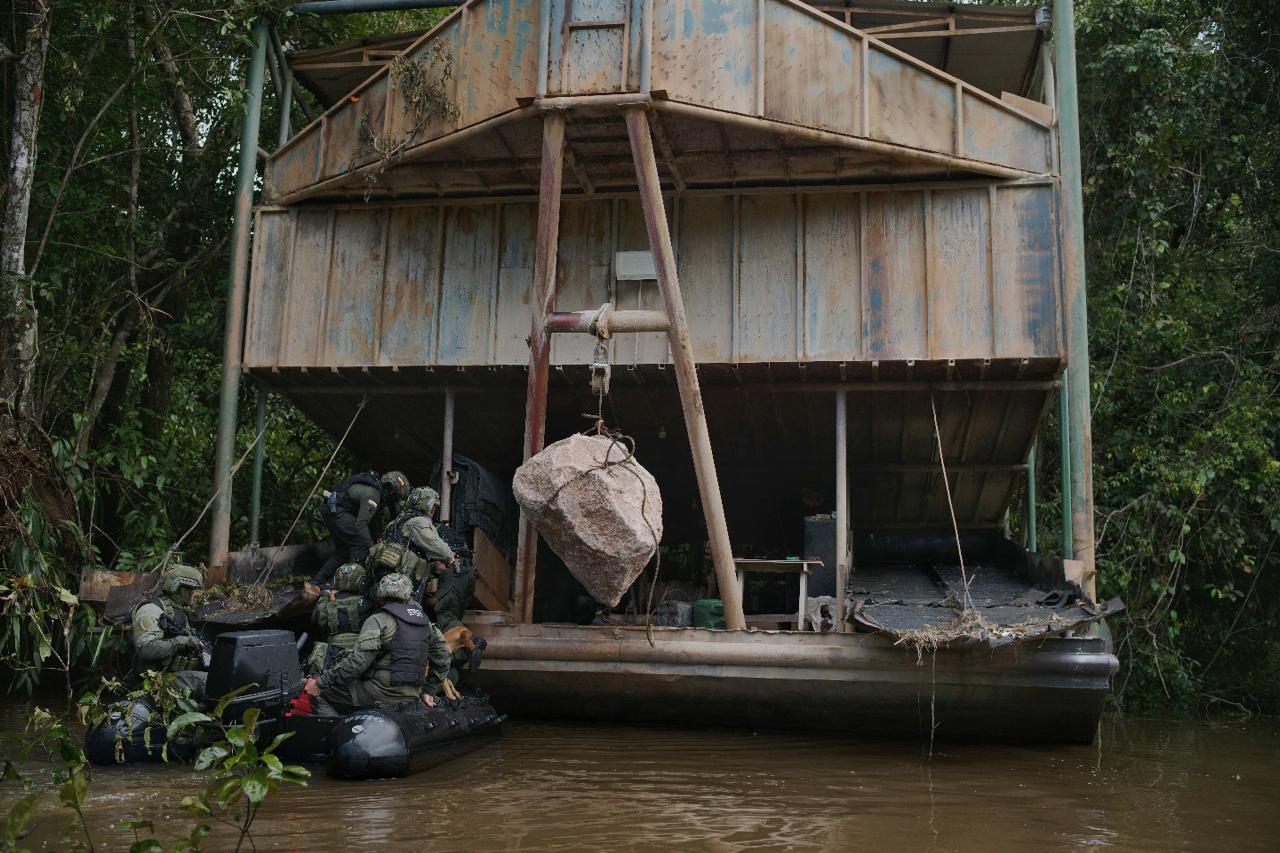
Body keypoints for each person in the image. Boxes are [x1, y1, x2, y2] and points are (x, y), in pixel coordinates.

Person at [303, 573, 452, 716]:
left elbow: (357, 663)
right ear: (408, 597)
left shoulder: (378, 620)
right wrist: (429, 690)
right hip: (411, 696)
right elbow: (443, 657)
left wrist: (321, 682)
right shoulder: (426, 623)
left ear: (380, 598)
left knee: (319, 693)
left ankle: (341, 732)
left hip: (378, 695)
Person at [313, 470, 411, 584]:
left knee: (344, 550)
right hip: (338, 512)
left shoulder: (374, 490)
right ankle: (350, 584)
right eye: (396, 496)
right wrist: (372, 549)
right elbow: (361, 525)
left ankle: (318, 581)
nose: (394, 501)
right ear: (390, 490)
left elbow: (373, 523)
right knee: (360, 544)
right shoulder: (373, 496)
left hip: (332, 510)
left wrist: (378, 539)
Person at [131, 564, 208, 699]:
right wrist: (181, 642)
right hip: (155, 680)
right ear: (178, 588)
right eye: (190, 590)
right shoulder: (151, 610)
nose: (194, 594)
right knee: (209, 682)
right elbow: (145, 648)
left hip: (175, 674)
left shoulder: (179, 611)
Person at [373, 487, 458, 601]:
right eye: (434, 507)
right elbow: (438, 547)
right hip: (401, 583)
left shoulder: (395, 522)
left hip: (384, 579)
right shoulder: (418, 522)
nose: (433, 511)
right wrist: (452, 558)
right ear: (429, 507)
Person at [305, 562, 376, 675]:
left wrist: (324, 595)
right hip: (362, 653)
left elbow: (317, 620)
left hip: (333, 654)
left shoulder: (328, 606)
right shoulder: (370, 603)